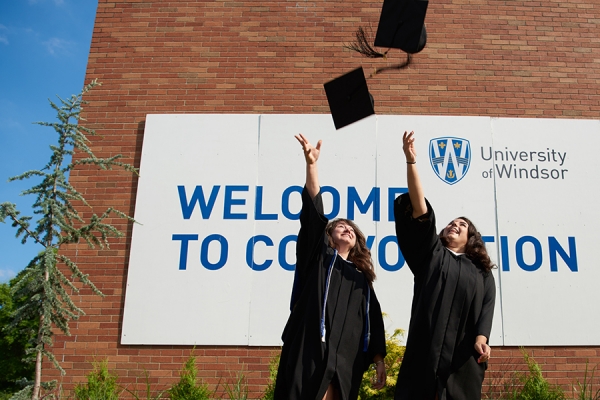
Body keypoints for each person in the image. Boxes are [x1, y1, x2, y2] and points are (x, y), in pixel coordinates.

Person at [274, 134, 387, 400]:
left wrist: (379, 359)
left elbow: (374, 322)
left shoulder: (362, 281)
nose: (347, 228)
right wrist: (312, 166)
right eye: (340, 226)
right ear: (328, 234)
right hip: (310, 350)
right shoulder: (318, 258)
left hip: (346, 358)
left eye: (351, 229)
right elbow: (313, 216)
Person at [393, 131, 496, 400]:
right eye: (451, 222)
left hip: (462, 363)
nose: (454, 224)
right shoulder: (432, 255)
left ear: (471, 239)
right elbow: (419, 209)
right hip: (424, 356)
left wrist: (482, 339)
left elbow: (486, 309)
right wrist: (411, 162)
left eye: (462, 225)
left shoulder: (481, 272)